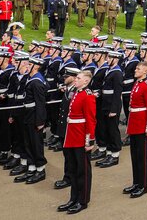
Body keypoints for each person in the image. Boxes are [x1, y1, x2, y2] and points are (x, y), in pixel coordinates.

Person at [59, 69, 95, 214]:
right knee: (73, 170)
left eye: (79, 78)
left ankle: (82, 200)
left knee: (83, 171)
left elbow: (91, 120)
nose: (76, 79)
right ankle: (73, 198)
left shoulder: (87, 95)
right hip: (71, 135)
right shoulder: (77, 92)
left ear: (86, 81)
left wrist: (89, 140)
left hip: (80, 137)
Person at [124, 60, 147, 198]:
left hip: (143, 125)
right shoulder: (137, 84)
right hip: (135, 124)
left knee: (142, 158)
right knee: (135, 156)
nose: (135, 70)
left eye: (138, 69)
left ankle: (143, 185)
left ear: (145, 71)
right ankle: (136, 182)